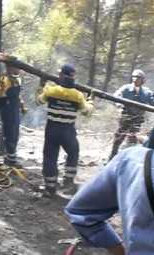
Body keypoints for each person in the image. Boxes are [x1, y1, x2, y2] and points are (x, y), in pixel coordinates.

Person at [65, 58, 154, 255]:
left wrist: (118, 250)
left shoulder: (130, 162)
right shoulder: (126, 89)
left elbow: (80, 212)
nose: (137, 80)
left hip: (137, 123)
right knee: (119, 139)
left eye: (139, 77)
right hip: (126, 118)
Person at [35, 64, 94, 198]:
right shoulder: (77, 95)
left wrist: (41, 86)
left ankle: (50, 187)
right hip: (68, 130)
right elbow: (87, 112)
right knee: (73, 152)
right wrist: (91, 99)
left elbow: (38, 101)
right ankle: (68, 181)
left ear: (61, 76)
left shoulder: (51, 91)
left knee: (50, 157)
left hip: (52, 130)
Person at [109, 69, 154, 160]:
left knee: (132, 138)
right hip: (126, 116)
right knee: (119, 136)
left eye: (138, 77)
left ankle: (127, 158)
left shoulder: (146, 92)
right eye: (134, 77)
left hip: (138, 118)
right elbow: (115, 98)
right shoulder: (125, 88)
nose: (135, 79)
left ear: (142, 79)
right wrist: (120, 106)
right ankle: (112, 156)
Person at [0, 58, 28, 168]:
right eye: (17, 67)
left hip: (14, 109)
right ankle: (10, 159)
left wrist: (22, 106)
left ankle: (9, 156)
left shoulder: (17, 80)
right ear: (11, 67)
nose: (19, 69)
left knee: (14, 133)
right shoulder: (5, 79)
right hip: (7, 109)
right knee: (10, 133)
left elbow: (18, 96)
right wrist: (1, 86)